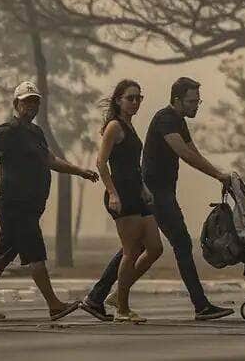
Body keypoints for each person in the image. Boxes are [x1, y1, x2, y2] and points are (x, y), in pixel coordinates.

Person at [82, 76, 234, 321]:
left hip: (148, 190)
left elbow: (192, 149)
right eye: (192, 101)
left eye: (198, 101)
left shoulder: (175, 121)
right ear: (177, 100)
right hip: (154, 191)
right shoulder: (165, 119)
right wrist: (216, 174)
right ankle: (200, 305)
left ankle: (101, 296)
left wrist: (219, 173)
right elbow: (184, 153)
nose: (196, 105)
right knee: (179, 244)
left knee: (139, 248)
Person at [0, 81, 100, 321]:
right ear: (16, 103)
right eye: (27, 101)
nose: (31, 106)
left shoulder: (36, 133)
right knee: (36, 253)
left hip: (30, 205)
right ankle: (54, 305)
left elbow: (50, 160)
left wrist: (80, 171)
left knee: (3, 256)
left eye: (35, 101)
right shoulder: (6, 130)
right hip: (14, 204)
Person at [93, 80, 162, 323]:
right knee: (131, 251)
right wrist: (112, 193)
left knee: (155, 248)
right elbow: (101, 163)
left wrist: (144, 188)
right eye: (130, 98)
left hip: (137, 192)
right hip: (121, 194)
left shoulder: (130, 127)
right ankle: (122, 308)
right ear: (118, 100)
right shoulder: (114, 126)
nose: (134, 102)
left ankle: (118, 293)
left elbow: (133, 165)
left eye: (138, 98)